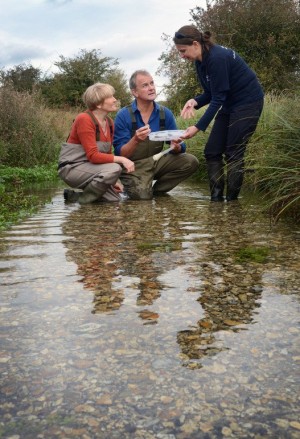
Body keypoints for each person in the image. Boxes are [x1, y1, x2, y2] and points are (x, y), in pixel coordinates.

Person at [173, 25, 264, 202]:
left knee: (233, 152)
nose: (182, 55)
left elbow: (218, 98)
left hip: (249, 103)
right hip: (230, 104)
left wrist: (198, 127)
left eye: (183, 51)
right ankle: (215, 201)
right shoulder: (200, 63)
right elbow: (211, 93)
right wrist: (195, 101)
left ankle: (231, 203)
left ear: (195, 44)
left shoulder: (217, 57)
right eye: (179, 52)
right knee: (211, 151)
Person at [113, 70, 199, 200]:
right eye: (145, 85)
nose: (151, 88)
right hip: (132, 168)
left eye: (152, 83)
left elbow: (180, 146)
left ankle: (157, 192)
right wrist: (135, 140)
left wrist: (177, 147)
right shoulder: (123, 115)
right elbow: (121, 155)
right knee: (142, 198)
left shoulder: (165, 114)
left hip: (156, 162)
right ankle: (138, 191)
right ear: (134, 92)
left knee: (190, 161)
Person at [58, 82, 135, 204]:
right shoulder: (84, 119)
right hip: (71, 168)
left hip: (92, 168)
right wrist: (123, 159)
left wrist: (114, 181)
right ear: (99, 104)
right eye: (110, 97)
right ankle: (84, 199)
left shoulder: (109, 123)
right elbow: (93, 156)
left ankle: (74, 197)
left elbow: (107, 154)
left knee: (114, 199)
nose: (115, 100)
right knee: (114, 168)